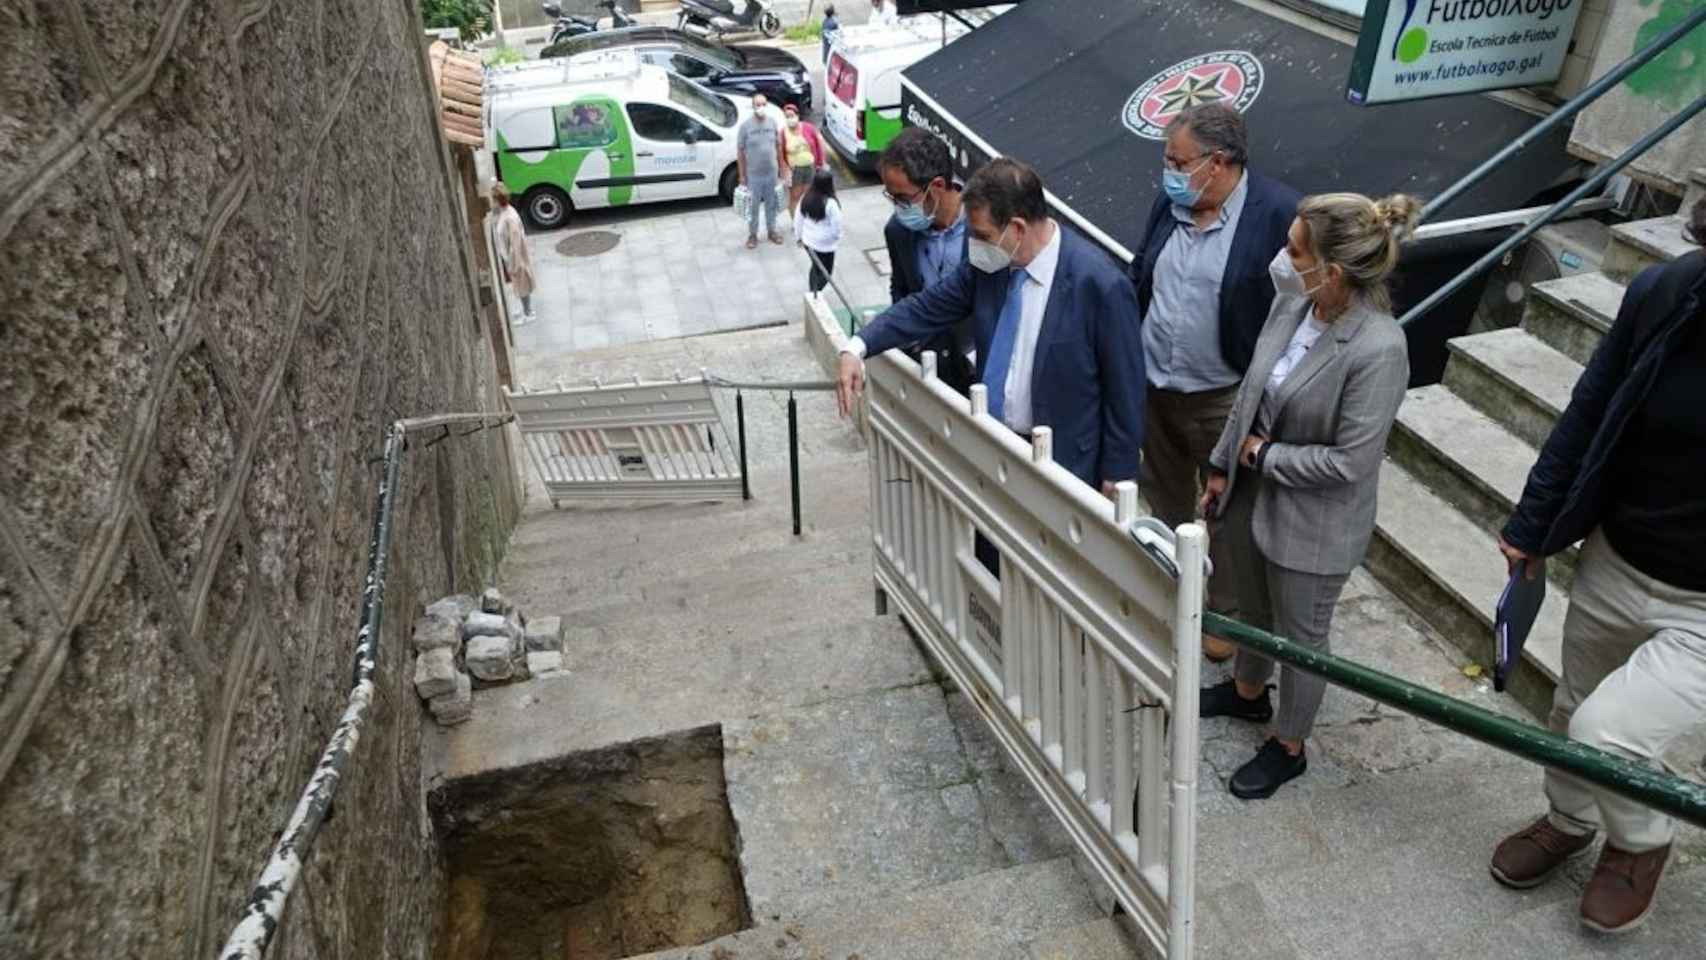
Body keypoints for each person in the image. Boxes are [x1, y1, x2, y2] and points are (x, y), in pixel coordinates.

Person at [1487, 198, 1706, 935]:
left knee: (1607, 731)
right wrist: (1534, 523)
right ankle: (1568, 819)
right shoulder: (1670, 291)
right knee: (1571, 704)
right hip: (1619, 553)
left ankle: (1640, 843)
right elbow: (1591, 411)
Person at [1197, 191, 1417, 799]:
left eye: (1295, 250)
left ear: (1335, 270)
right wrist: (1222, 466)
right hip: (1251, 498)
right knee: (1251, 606)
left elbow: (1352, 460)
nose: (1282, 257)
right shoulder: (1293, 303)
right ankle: (1246, 694)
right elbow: (1251, 391)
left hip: (1314, 522)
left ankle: (1288, 744)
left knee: (1301, 639)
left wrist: (1264, 456)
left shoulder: (1379, 348)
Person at [836, 157, 1146, 501]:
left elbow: (1125, 389)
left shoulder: (1100, 285)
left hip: (1065, 469)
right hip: (992, 449)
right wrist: (858, 346)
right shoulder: (990, 267)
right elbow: (924, 308)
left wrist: (1118, 474)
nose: (974, 246)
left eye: (982, 235)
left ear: (1017, 228)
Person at [1131, 102, 1301, 663]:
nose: (1168, 170)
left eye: (1178, 161)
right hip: (1157, 387)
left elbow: (1293, 309)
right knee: (1163, 497)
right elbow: (1143, 273)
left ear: (1219, 162)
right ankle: (1175, 591)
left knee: (1225, 515)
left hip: (1223, 395)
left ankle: (1225, 616)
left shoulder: (1276, 212)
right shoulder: (1170, 201)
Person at [879, 127, 974, 394]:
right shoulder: (897, 231)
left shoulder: (985, 228)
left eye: (903, 198)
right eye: (891, 197)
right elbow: (901, 289)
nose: (898, 207)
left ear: (938, 187)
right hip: (928, 372)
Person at [737, 93, 787, 250]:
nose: (761, 107)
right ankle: (753, 234)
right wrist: (742, 175)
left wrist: (782, 168)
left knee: (772, 204)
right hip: (754, 175)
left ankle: (772, 231)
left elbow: (778, 147)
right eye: (758, 105)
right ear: (753, 107)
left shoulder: (772, 123)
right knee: (753, 207)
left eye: (763, 104)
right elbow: (740, 152)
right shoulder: (745, 127)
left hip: (771, 174)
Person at [491, 182, 536, 325]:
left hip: (515, 257)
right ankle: (525, 310)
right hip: (512, 255)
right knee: (520, 283)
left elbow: (515, 243)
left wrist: (513, 262)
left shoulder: (509, 217)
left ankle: (528, 313)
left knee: (522, 283)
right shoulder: (506, 212)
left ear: (497, 200)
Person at [795, 169, 841, 296]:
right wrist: (835, 239)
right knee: (827, 272)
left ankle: (813, 290)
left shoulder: (806, 197)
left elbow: (798, 219)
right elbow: (836, 227)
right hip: (825, 245)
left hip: (808, 242)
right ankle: (815, 292)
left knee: (815, 266)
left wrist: (798, 237)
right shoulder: (831, 204)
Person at [782, 102, 825, 217]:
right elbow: (780, 153)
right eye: (787, 116)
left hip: (810, 167)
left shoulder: (808, 128)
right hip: (795, 170)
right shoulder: (783, 133)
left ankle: (808, 219)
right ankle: (795, 221)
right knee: (795, 196)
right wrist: (785, 170)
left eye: (792, 115)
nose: (790, 119)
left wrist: (820, 163)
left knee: (809, 195)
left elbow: (818, 145)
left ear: (797, 115)